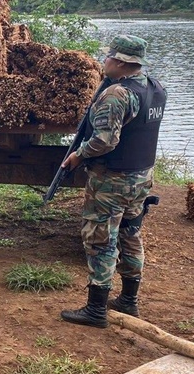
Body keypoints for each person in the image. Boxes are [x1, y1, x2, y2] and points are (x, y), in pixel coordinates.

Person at [59, 35, 166, 328]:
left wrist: (78, 156)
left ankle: (96, 310)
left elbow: (105, 140)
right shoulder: (156, 89)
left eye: (108, 57)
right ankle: (129, 301)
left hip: (113, 180)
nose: (104, 61)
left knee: (100, 239)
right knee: (131, 235)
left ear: (120, 62)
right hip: (142, 177)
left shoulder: (117, 94)